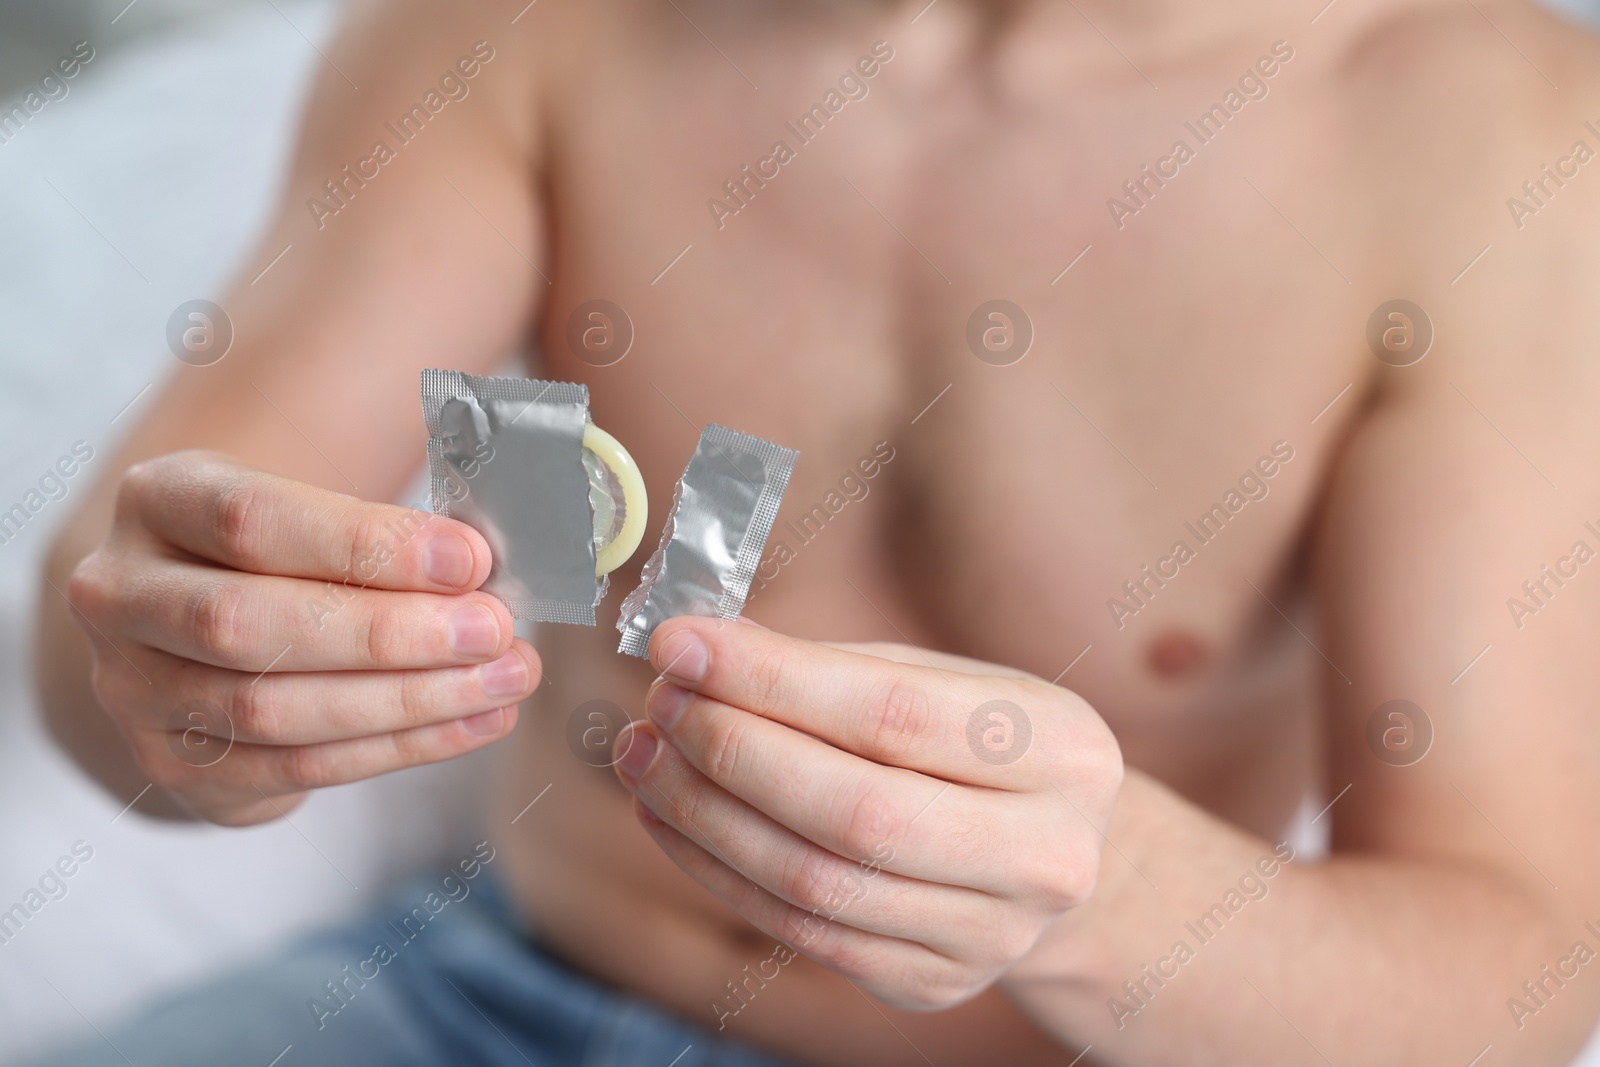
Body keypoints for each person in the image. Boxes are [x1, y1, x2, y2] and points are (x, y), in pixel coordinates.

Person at [29, 0, 1600, 1063]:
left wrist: (1107, 901)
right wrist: (188, 693)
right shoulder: (534, 31)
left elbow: (1523, 973)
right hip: (468, 1003)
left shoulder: (1495, 145)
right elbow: (124, 599)